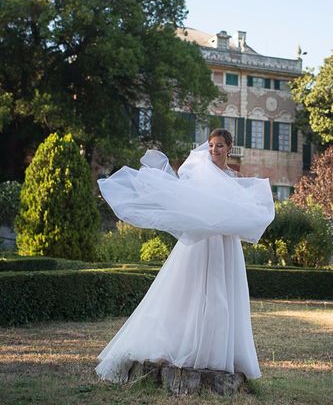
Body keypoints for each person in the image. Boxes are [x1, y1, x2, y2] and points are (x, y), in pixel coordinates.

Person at [94, 129, 274, 383]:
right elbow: (186, 201)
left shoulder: (233, 177)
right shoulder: (199, 174)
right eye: (211, 146)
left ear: (229, 149)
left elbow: (242, 210)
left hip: (225, 243)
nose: (214, 150)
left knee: (222, 295)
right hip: (201, 241)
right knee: (189, 291)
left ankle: (219, 352)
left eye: (220, 146)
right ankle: (183, 345)